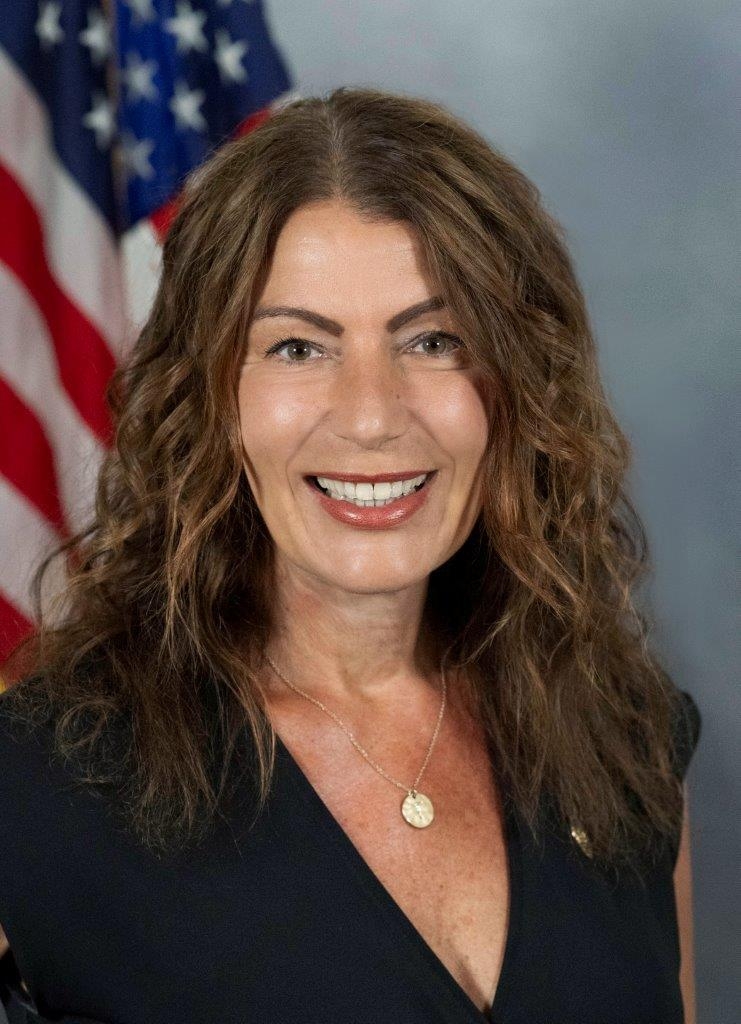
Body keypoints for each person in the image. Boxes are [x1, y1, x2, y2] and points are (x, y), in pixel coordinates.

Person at [0, 86, 701, 1024]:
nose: (372, 416)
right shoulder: (36, 776)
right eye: (297, 348)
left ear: (520, 388)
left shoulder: (626, 741)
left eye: (434, 340)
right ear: (209, 398)